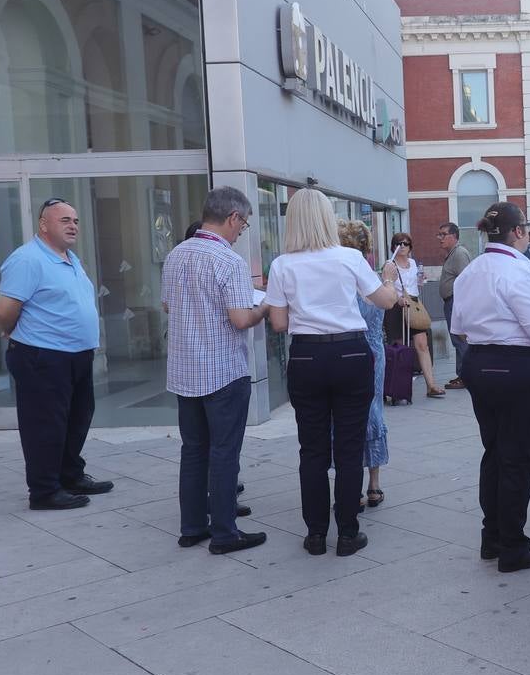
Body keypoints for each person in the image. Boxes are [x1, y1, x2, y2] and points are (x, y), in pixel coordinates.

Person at [265, 189, 399, 557]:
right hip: (350, 352)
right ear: (327, 218)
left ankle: (315, 534)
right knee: (349, 446)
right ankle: (348, 533)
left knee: (312, 449)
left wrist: (307, 311)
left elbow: (278, 322)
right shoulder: (349, 257)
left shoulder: (282, 265)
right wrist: (388, 280)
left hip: (306, 356)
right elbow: (384, 301)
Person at [450, 202, 530, 573]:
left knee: (494, 451)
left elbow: (458, 327)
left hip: (479, 364)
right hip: (520, 368)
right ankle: (513, 545)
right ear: (518, 232)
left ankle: (492, 536)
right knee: (517, 457)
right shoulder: (517, 271)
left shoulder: (471, 271)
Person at [161, 187, 268, 554]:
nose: (242, 231)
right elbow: (241, 318)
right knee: (224, 452)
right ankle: (225, 532)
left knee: (193, 450)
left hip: (184, 371)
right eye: (244, 223)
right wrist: (264, 308)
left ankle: (192, 526)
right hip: (223, 371)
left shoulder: (176, 254)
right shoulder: (229, 261)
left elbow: (166, 306)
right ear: (233, 217)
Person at [0, 198, 113, 510]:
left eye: (75, 220)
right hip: (42, 357)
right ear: (44, 225)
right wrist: (14, 332)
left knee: (76, 418)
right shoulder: (28, 260)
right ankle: (45, 491)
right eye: (64, 220)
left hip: (76, 356)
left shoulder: (70, 258)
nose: (73, 225)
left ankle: (70, 475)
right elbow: (4, 313)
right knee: (45, 424)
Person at [339, 220, 390, 509]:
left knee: (346, 417)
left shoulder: (341, 278)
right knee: (373, 411)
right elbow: (387, 304)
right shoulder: (371, 278)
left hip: (349, 350)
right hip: (373, 350)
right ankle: (374, 484)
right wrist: (390, 281)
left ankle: (355, 487)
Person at [382, 231, 444, 398]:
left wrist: (421, 280)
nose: (402, 246)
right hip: (396, 306)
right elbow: (386, 286)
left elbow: (416, 285)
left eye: (406, 243)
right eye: (398, 243)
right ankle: (399, 386)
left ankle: (431, 385)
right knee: (400, 347)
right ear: (393, 247)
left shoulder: (413, 263)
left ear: (410, 247)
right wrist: (398, 299)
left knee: (422, 344)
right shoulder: (390, 264)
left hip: (414, 304)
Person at [437, 221, 472, 390]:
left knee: (460, 340)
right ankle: (462, 375)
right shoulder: (452, 253)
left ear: (454, 236)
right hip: (451, 302)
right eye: (439, 234)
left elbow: (466, 281)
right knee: (457, 341)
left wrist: (461, 306)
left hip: (456, 303)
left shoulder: (459, 253)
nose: (440, 238)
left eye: (443, 234)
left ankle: (467, 376)